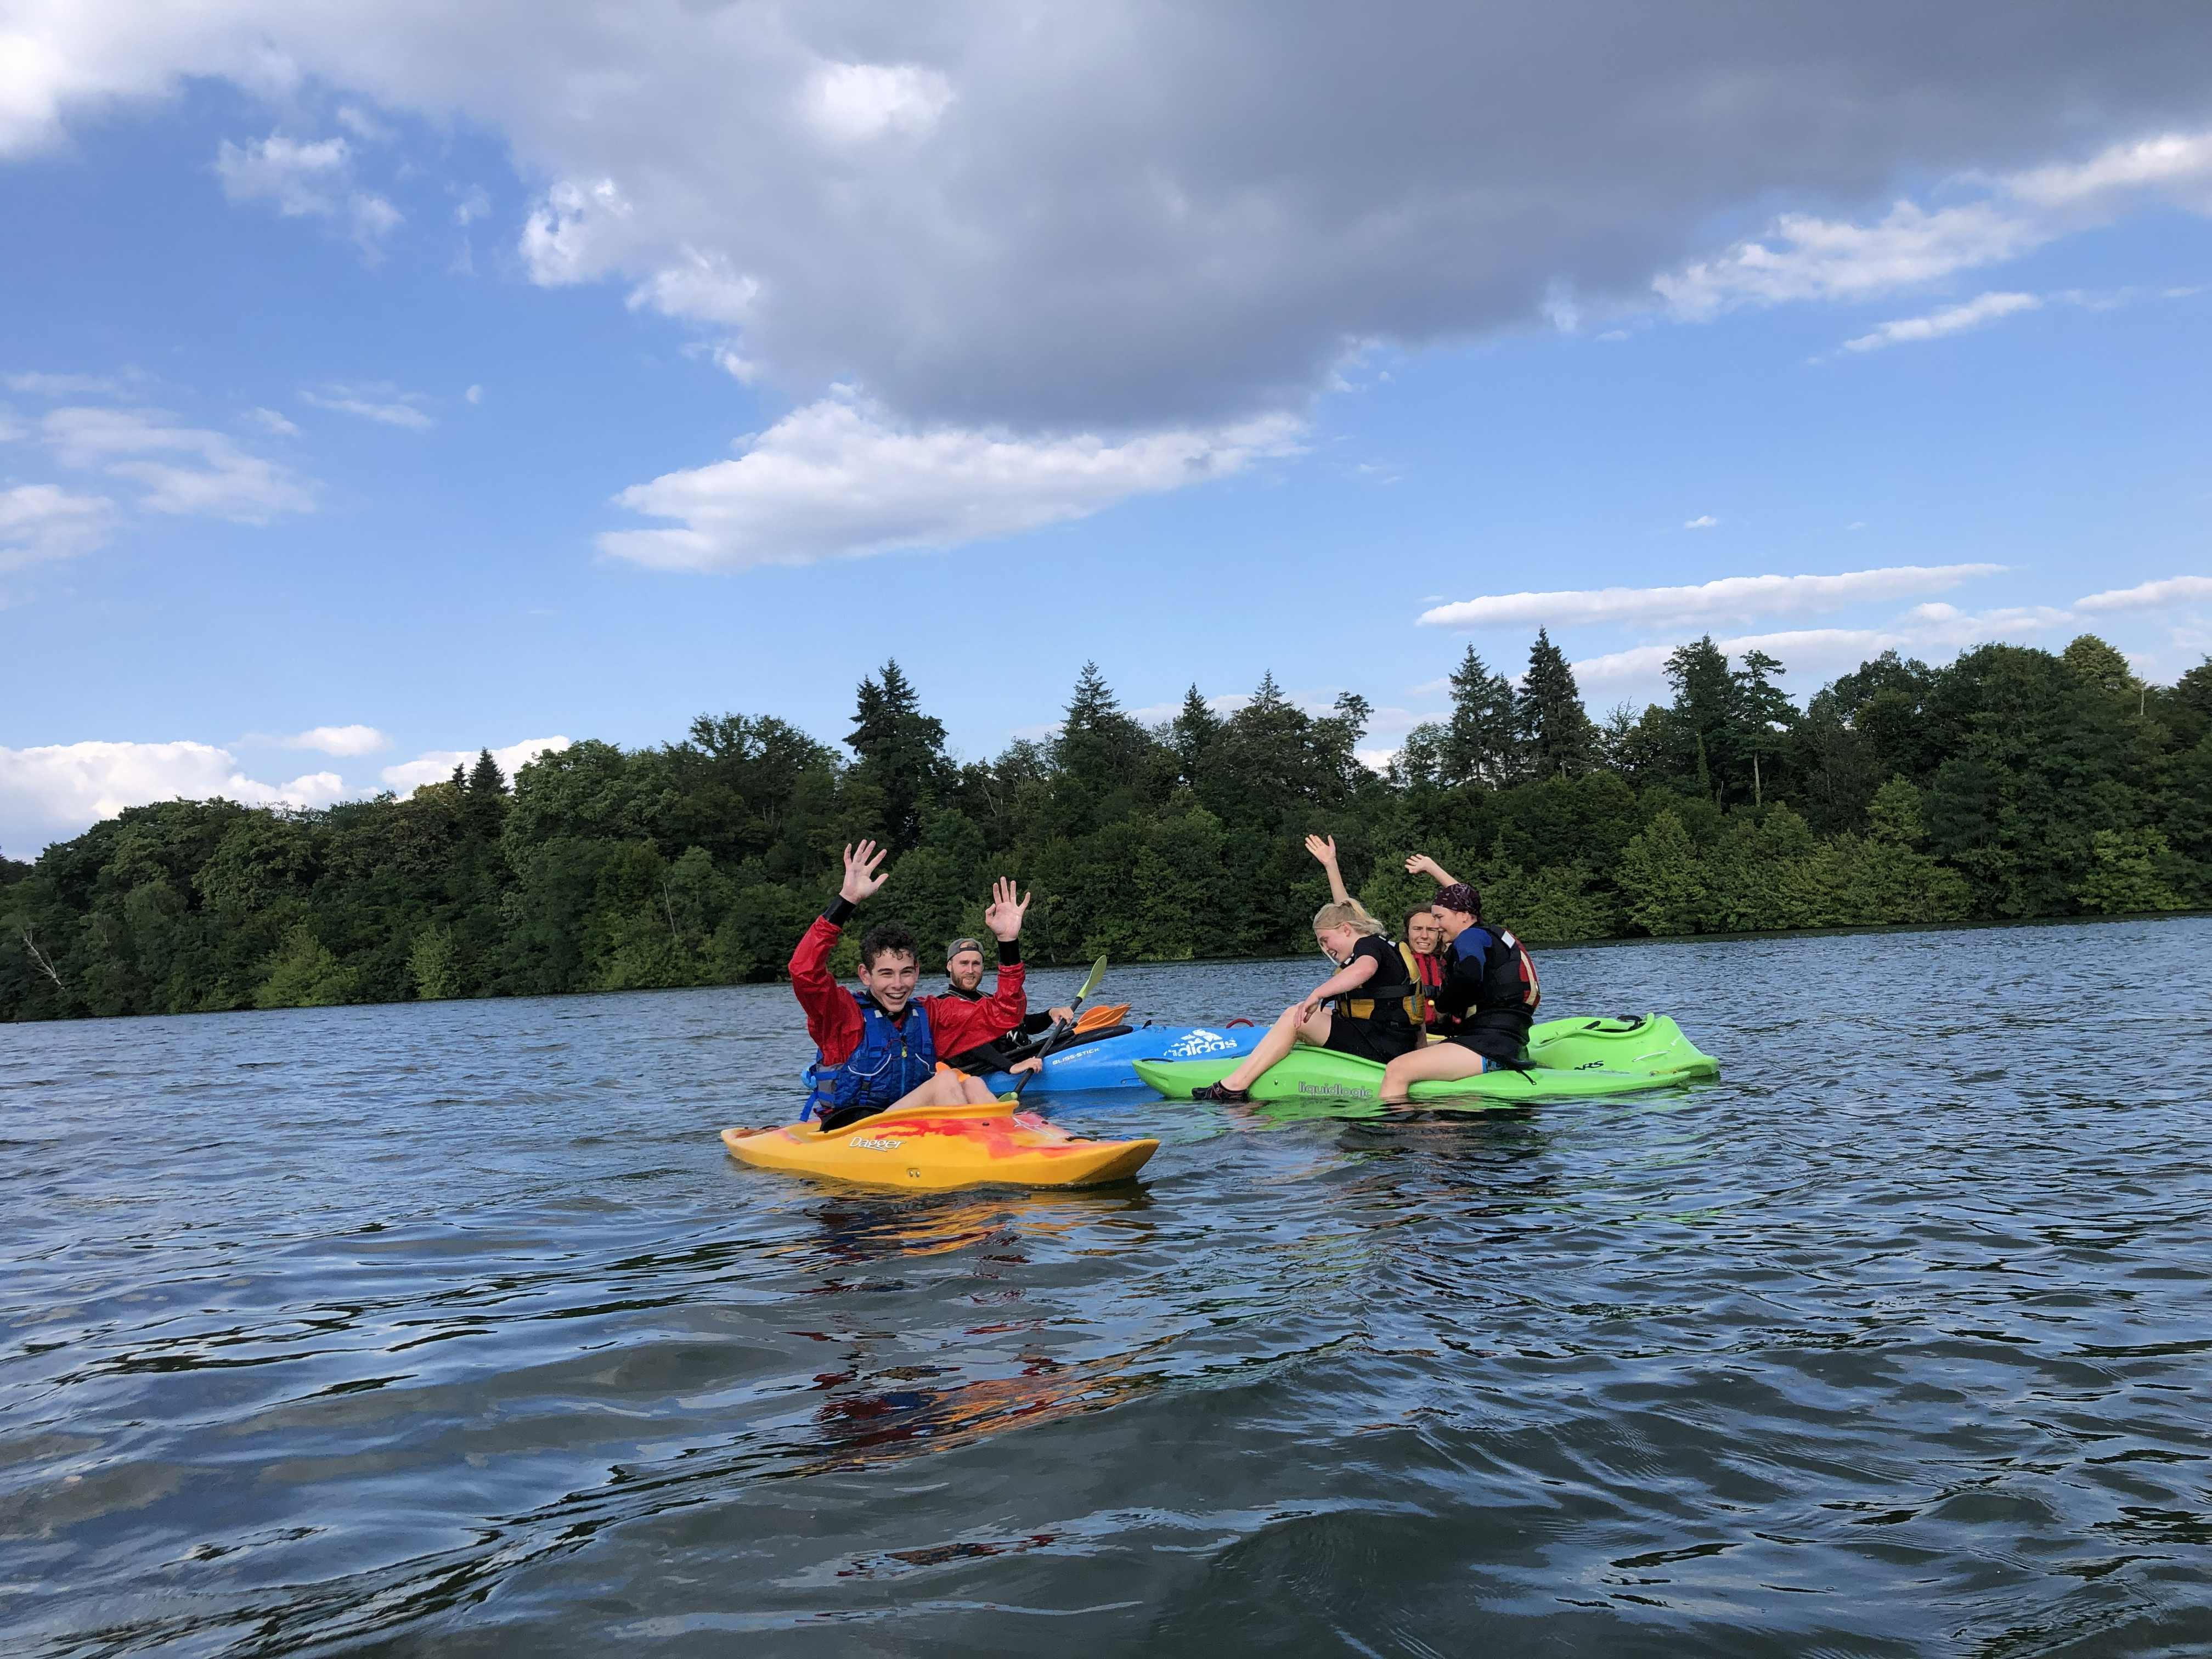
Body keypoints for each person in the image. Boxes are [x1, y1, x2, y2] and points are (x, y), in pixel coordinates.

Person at [789, 840, 1032, 1129]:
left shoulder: (930, 1015)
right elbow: (804, 971)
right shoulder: (841, 1016)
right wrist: (846, 901)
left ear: (917, 972)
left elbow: (1006, 1013)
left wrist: (1008, 944)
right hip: (851, 1130)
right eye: (886, 974)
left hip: (907, 1128)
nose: (898, 985)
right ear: (865, 976)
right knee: (944, 1081)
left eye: (906, 973)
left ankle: (1010, 1142)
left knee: (975, 1085)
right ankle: (983, 1151)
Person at [1189, 894, 1420, 1103]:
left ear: (1346, 929)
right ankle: (1261, 1059)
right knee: (1308, 1013)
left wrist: (1317, 994)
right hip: (1392, 1040)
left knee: (1295, 1017)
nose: (1325, 948)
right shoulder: (1382, 944)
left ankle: (1234, 1086)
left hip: (1382, 1045)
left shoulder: (1367, 946)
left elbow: (1364, 970)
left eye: (1325, 939)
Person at [1379, 855, 1542, 1104]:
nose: (1437, 926)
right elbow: (1463, 898)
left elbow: (1468, 975)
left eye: (1440, 918)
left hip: (1488, 1046)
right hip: (1509, 1042)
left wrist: (1443, 1006)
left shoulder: (1469, 938)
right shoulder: (1492, 936)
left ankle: (1394, 1138)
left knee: (1396, 1069)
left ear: (1464, 916)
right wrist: (1433, 869)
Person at [1306, 834, 1442, 1032]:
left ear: (1441, 933)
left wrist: (1432, 868)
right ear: (1407, 931)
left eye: (1432, 930)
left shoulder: (1450, 955)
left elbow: (1466, 912)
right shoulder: (1393, 959)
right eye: (1417, 929)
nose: (1424, 935)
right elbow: (1346, 915)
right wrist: (1330, 865)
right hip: (1408, 1027)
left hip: (1442, 1033)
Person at [940, 936, 1075, 1076]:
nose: (970, 970)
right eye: (964, 963)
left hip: (1017, 1060)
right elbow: (971, 1042)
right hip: (985, 1074)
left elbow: (1023, 1024)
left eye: (976, 964)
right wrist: (1011, 1067)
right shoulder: (944, 1006)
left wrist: (1050, 1014)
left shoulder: (988, 999)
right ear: (950, 966)